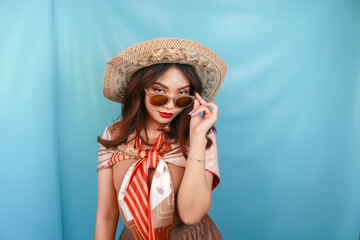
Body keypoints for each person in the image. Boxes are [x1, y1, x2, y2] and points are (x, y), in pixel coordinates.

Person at [94, 37, 227, 240]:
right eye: (159, 92)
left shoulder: (199, 136)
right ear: (141, 89)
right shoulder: (114, 136)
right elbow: (107, 215)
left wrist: (198, 138)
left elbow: (191, 215)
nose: (170, 106)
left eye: (182, 95)